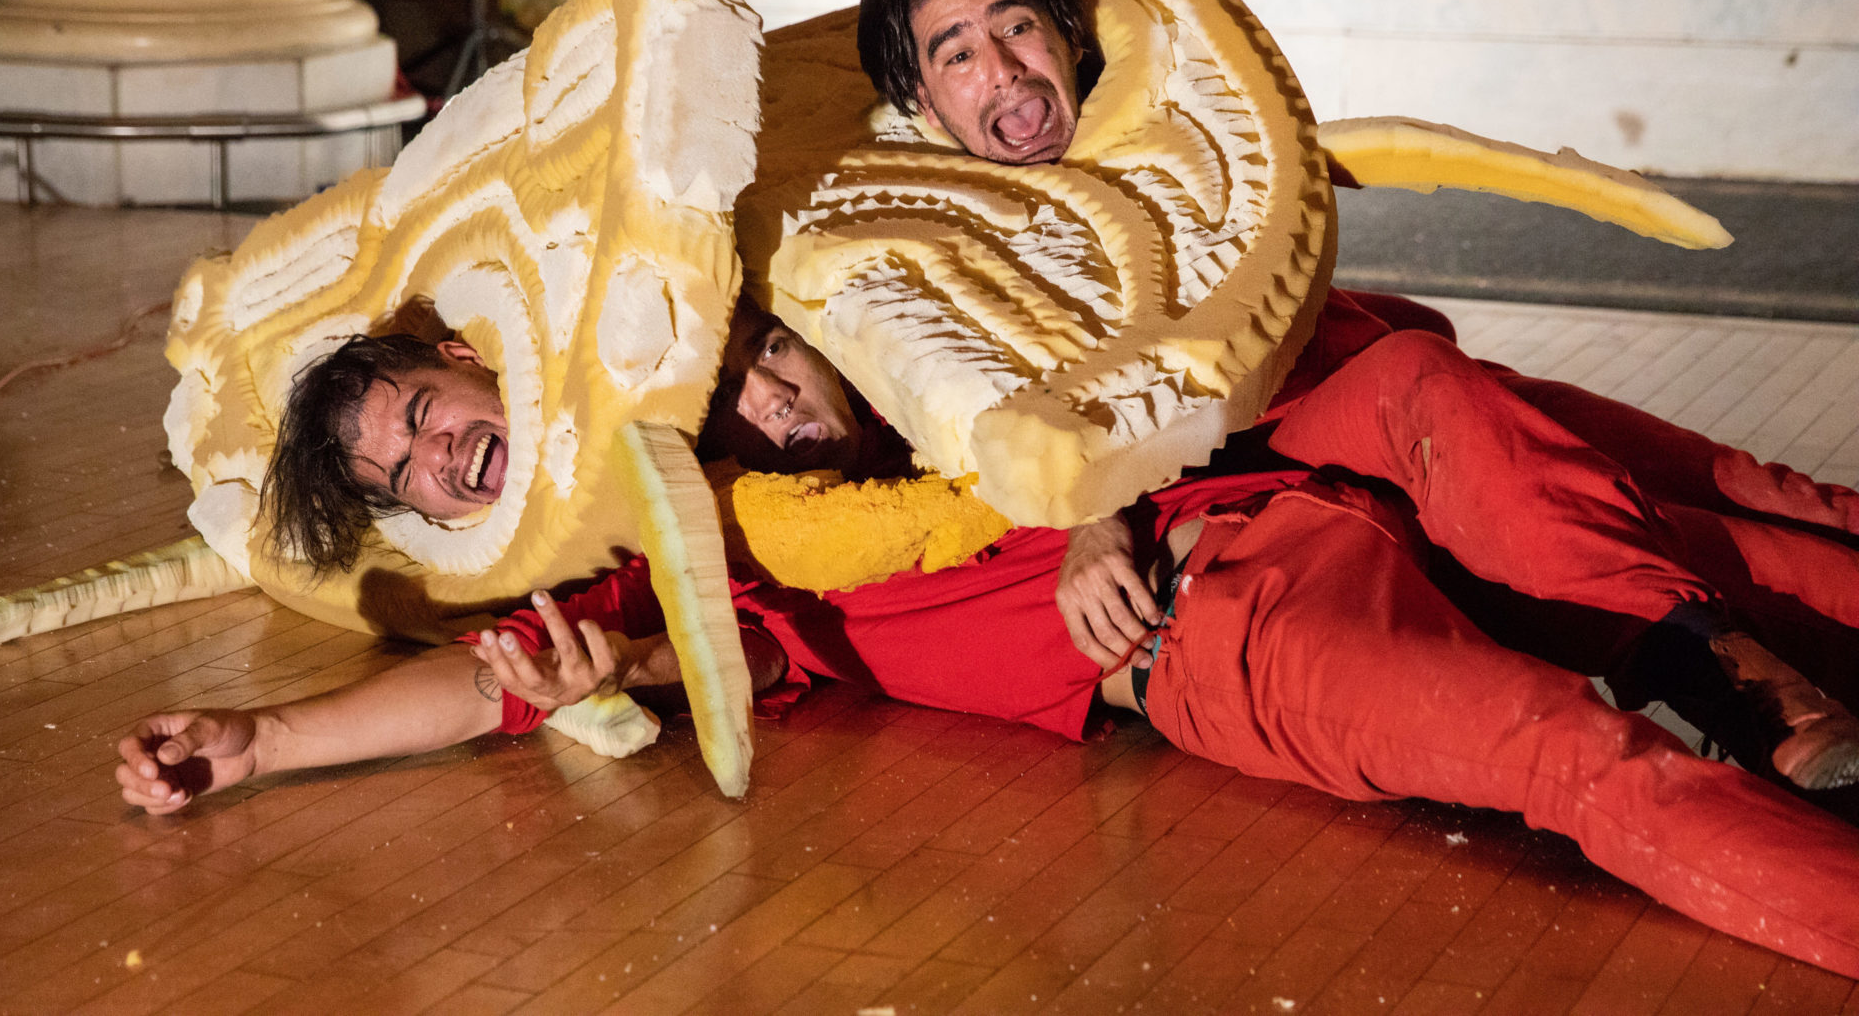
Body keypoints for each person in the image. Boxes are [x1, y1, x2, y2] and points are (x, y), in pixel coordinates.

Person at [119, 304, 1859, 976]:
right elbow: (497, 685)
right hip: (1220, 622)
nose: (434, 455)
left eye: (425, 407)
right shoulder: (674, 548)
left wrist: (1106, 460)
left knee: (1750, 515)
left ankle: (1729, 648)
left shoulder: (825, 275)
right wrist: (263, 741)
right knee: (1576, 753)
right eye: (401, 471)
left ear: (476, 357)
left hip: (1295, 449)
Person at [850, 0, 1859, 784]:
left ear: (1066, 37)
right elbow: (980, 418)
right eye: (957, 56)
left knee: (1744, 494)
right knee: (1667, 528)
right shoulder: (924, 250)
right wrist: (1089, 507)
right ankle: (1723, 678)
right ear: (925, 104)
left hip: (1373, 388)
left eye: (1015, 28)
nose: (1002, 72)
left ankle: (1726, 662)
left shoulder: (1180, 119)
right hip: (1256, 462)